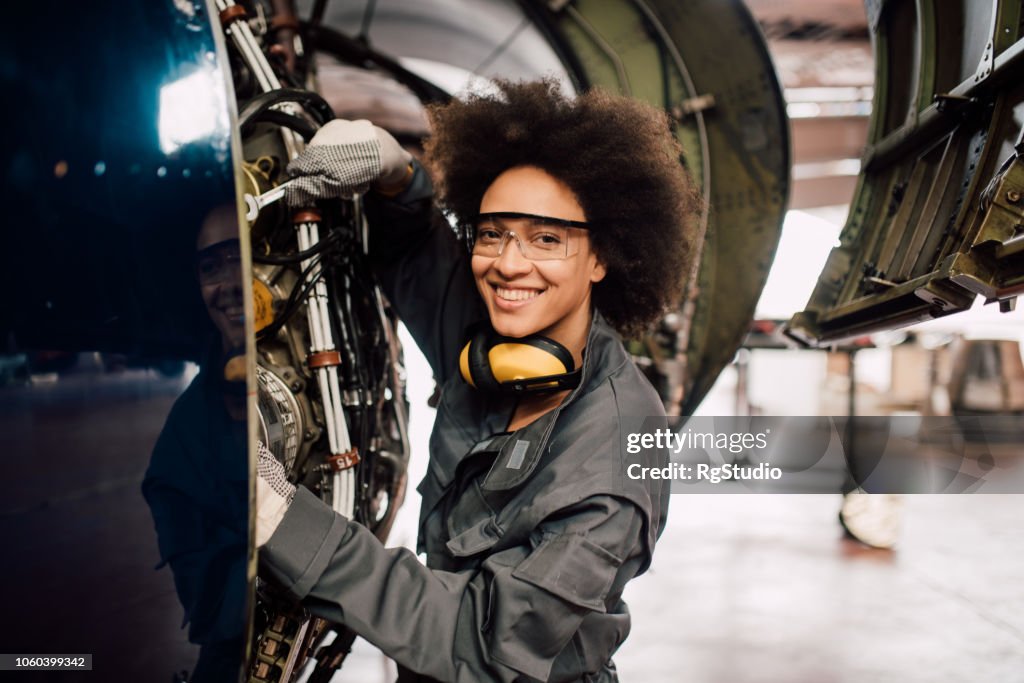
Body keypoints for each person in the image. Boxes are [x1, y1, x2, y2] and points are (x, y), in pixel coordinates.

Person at [257, 79, 700, 682]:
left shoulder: (615, 455)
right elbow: (418, 250)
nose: (509, 264)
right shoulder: (498, 345)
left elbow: (484, 641)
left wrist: (280, 518)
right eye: (492, 233)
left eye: (547, 238)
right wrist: (396, 175)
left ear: (602, 257)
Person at [143, 205, 249, 682]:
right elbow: (211, 611)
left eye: (240, 256)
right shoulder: (180, 444)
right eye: (211, 266)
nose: (228, 284)